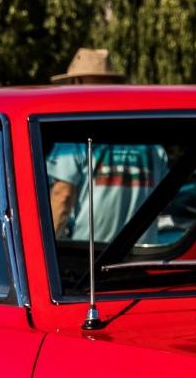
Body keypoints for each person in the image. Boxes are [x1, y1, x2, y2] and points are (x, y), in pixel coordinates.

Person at [44, 50, 165, 245]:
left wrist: (45, 248)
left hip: (90, 256)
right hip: (144, 255)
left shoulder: (75, 134)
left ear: (77, 82)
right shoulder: (149, 139)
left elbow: (62, 196)